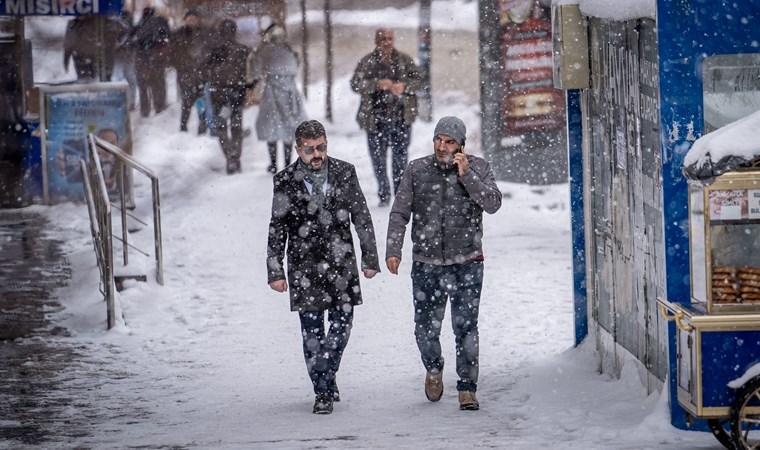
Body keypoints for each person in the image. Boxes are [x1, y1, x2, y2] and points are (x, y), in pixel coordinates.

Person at [385, 116, 502, 411]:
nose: (442, 146)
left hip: (468, 262)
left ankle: (467, 388)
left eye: (449, 141)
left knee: (466, 328)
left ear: (461, 145)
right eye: (438, 139)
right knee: (424, 329)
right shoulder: (417, 169)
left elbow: (493, 203)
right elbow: (399, 212)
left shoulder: (479, 168)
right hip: (427, 264)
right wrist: (393, 249)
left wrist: (467, 175)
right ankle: (434, 368)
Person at [267, 120, 380, 415]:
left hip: (341, 263)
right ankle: (323, 390)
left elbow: (362, 217)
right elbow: (277, 228)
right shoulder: (285, 180)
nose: (317, 154)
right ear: (298, 149)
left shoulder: (345, 172)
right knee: (312, 332)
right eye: (309, 149)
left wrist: (370, 258)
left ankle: (326, 373)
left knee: (342, 327)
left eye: (321, 147)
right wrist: (275, 270)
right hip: (303, 265)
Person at [350, 28, 423, 206]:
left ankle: (399, 195)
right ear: (376, 40)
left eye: (390, 38)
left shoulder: (405, 61)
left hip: (401, 118)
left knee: (401, 159)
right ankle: (383, 194)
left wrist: (404, 87)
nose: (387, 42)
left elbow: (420, 81)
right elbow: (355, 84)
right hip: (375, 120)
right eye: (383, 38)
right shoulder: (367, 61)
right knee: (378, 160)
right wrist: (376, 84)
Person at [202, 19, 254, 174]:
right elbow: (250, 73)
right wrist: (247, 87)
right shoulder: (244, 50)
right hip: (237, 93)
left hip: (218, 93)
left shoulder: (213, 50)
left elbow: (204, 70)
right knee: (236, 127)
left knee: (221, 126)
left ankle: (230, 156)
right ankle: (235, 158)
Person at [252, 24, 305, 174]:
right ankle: (288, 164)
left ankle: (273, 164)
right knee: (289, 127)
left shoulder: (264, 50)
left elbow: (256, 71)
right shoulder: (291, 50)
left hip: (272, 92)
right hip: (290, 93)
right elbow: (296, 66)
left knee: (272, 127)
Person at [171, 10, 210, 134]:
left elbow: (209, 52)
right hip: (185, 73)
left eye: (194, 18)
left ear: (198, 20)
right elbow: (173, 53)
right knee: (187, 101)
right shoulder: (178, 34)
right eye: (189, 18)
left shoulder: (204, 34)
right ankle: (183, 126)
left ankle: (202, 126)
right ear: (185, 19)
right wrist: (179, 66)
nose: (192, 21)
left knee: (201, 100)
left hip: (201, 74)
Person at [131, 7, 171, 117]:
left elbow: (132, 37)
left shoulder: (141, 24)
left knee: (143, 85)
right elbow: (168, 36)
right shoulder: (161, 22)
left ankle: (145, 110)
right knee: (157, 83)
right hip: (157, 58)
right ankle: (159, 107)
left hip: (142, 58)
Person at [63, 15, 127, 81]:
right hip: (81, 58)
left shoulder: (102, 21)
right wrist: (66, 59)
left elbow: (124, 31)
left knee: (103, 80)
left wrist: (118, 42)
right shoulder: (74, 24)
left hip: (99, 58)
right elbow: (69, 42)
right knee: (85, 81)